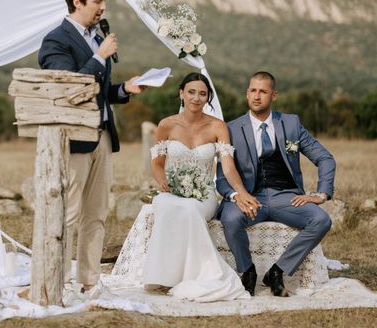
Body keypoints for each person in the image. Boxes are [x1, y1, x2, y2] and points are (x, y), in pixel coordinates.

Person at [38, 0, 145, 295]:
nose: (103, 9)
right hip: (72, 139)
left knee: (96, 214)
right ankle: (59, 279)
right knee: (68, 214)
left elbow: (98, 90)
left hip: (102, 135)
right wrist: (100, 57)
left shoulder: (97, 37)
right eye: (98, 2)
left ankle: (89, 280)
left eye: (104, 2)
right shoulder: (56, 40)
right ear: (77, 0)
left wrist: (123, 89)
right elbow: (69, 88)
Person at [216, 71, 335, 297]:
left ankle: (278, 271)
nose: (257, 96)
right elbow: (222, 177)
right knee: (230, 218)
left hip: (285, 196)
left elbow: (325, 157)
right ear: (247, 93)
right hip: (249, 195)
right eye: (253, 90)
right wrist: (236, 196)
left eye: (263, 91)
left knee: (321, 220)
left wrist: (321, 194)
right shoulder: (230, 128)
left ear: (274, 95)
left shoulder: (291, 123)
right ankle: (247, 271)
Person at [141, 72, 258, 301]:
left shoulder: (218, 127)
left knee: (190, 209)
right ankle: (164, 276)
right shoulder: (166, 125)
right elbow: (157, 164)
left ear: (208, 98)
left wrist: (241, 193)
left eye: (202, 94)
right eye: (191, 92)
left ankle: (200, 274)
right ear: (181, 94)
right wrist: (163, 182)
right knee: (163, 203)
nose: (196, 98)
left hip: (203, 195)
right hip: (173, 191)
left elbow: (228, 167)